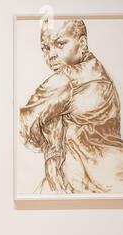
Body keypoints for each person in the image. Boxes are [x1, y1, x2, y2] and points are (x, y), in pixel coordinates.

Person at [20, 19, 123, 193]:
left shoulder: (66, 80)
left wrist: (49, 142)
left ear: (82, 43)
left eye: (60, 44)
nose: (51, 54)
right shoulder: (100, 73)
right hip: (114, 179)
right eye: (45, 48)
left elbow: (25, 123)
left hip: (86, 184)